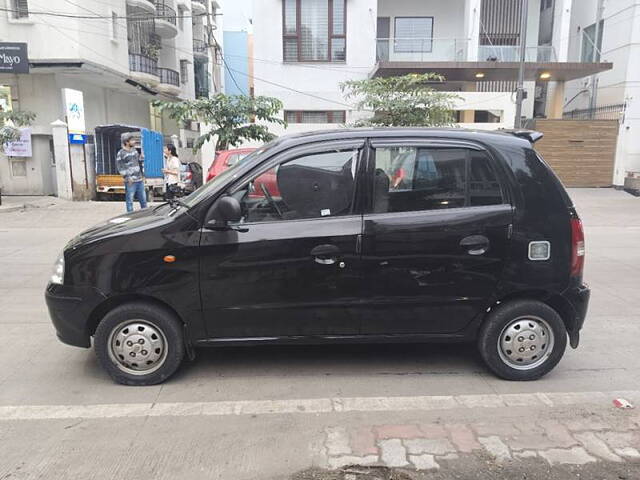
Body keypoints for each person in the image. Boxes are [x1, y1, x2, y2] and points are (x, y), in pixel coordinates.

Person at [116, 132, 147, 213]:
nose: (134, 142)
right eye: (132, 140)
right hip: (130, 181)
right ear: (126, 142)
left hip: (139, 180)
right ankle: (130, 217)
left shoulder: (134, 150)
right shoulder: (121, 153)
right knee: (130, 202)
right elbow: (120, 167)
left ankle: (146, 216)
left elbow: (138, 162)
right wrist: (127, 177)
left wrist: (141, 158)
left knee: (143, 201)